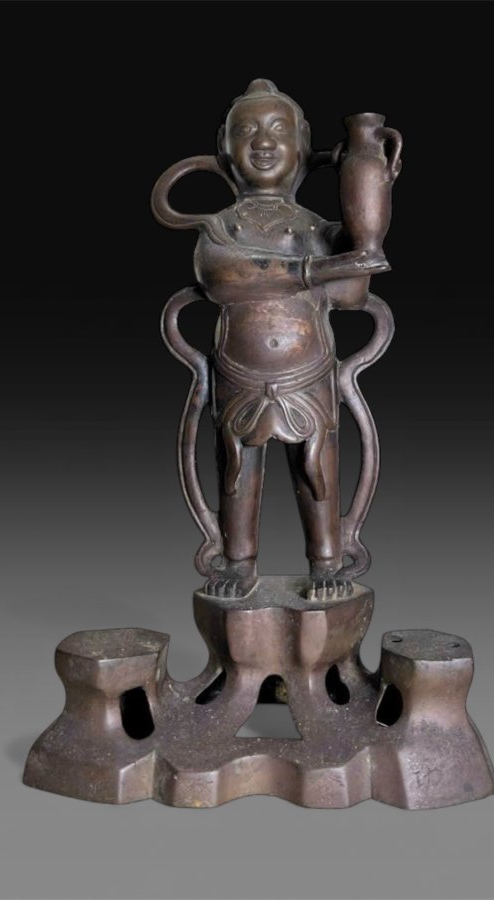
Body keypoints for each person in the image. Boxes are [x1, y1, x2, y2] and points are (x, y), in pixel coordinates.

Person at [152, 79, 393, 598]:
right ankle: (237, 561)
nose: (263, 142)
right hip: (239, 369)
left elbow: (352, 289)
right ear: (224, 151)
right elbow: (223, 277)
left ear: (303, 147)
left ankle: (327, 561)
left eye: (279, 130)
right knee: (237, 469)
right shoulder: (221, 228)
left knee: (318, 469)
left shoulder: (315, 228)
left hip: (309, 369)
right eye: (247, 131)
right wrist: (313, 270)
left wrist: (366, 177)